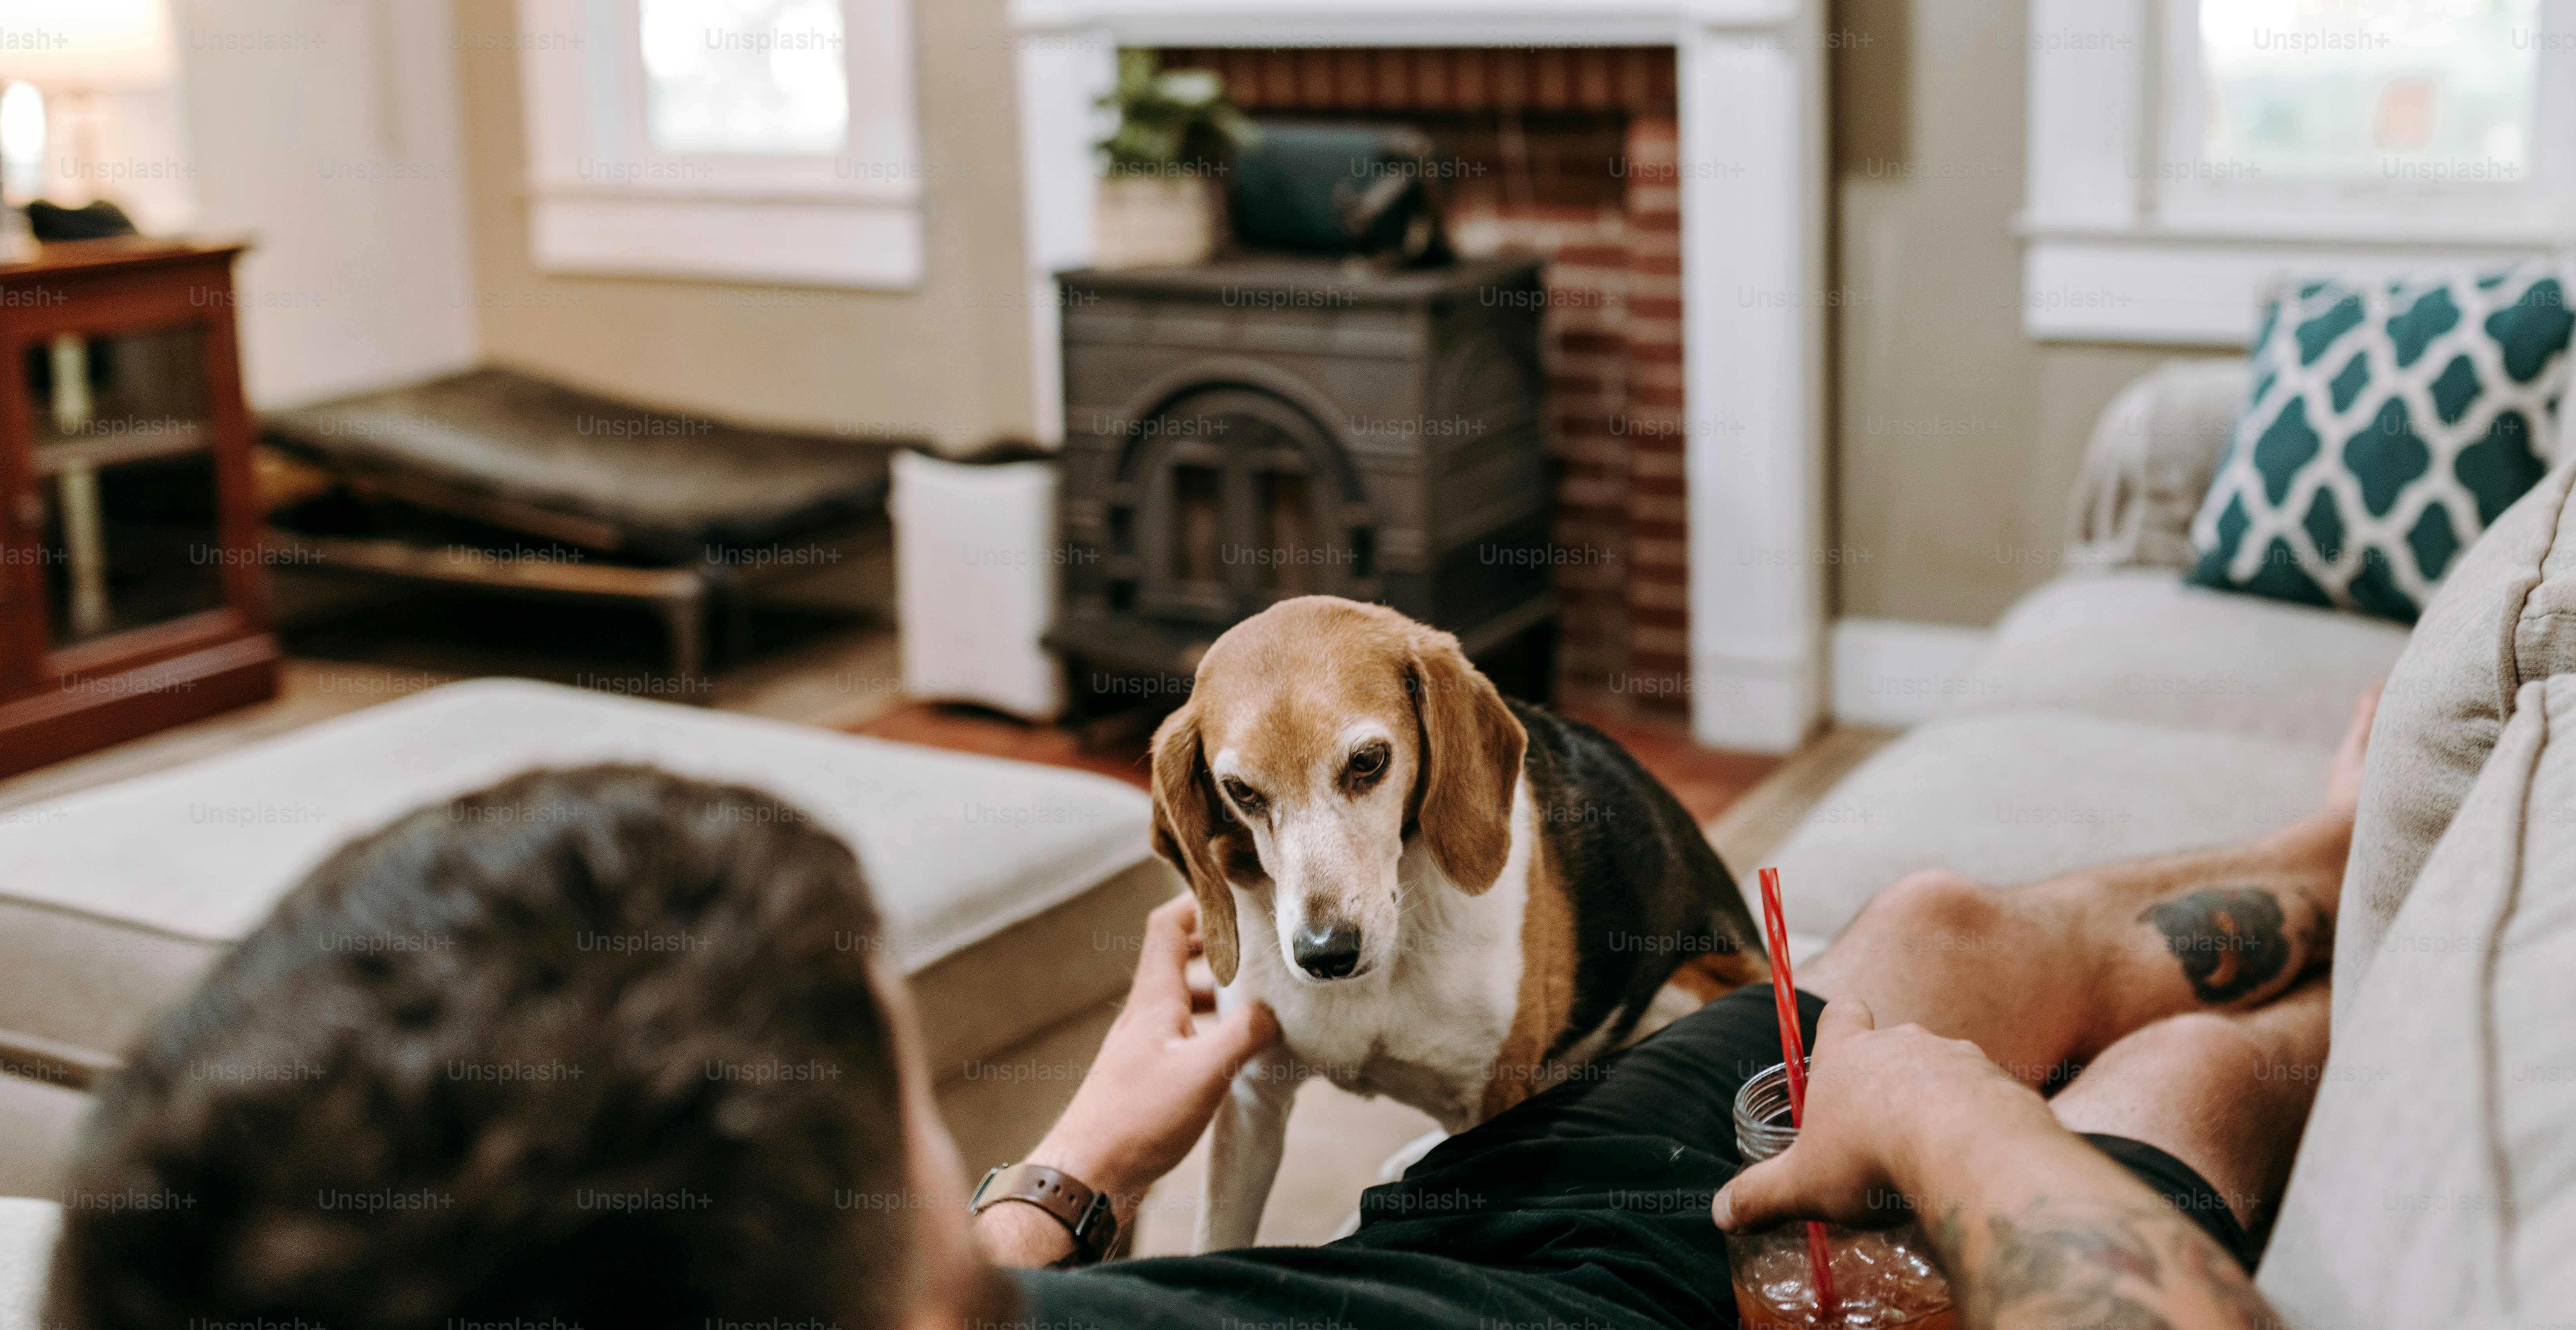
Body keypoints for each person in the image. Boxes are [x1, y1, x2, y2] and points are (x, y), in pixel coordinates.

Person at [47, 691, 2379, 1330]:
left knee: (1935, 920)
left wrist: (1083, 1164)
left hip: (1453, 1212)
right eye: (914, 1143)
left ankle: (2314, 848)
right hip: (1696, 1268)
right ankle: (2359, 876)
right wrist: (1937, 1109)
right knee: (2089, 1017)